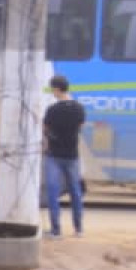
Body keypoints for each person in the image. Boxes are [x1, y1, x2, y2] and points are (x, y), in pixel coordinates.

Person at [43, 74, 86, 238]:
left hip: (54, 155)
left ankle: (56, 230)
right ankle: (78, 228)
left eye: (52, 89)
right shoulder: (79, 108)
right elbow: (80, 127)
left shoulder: (52, 110)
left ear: (56, 89)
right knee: (75, 192)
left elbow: (45, 129)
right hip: (72, 155)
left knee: (53, 193)